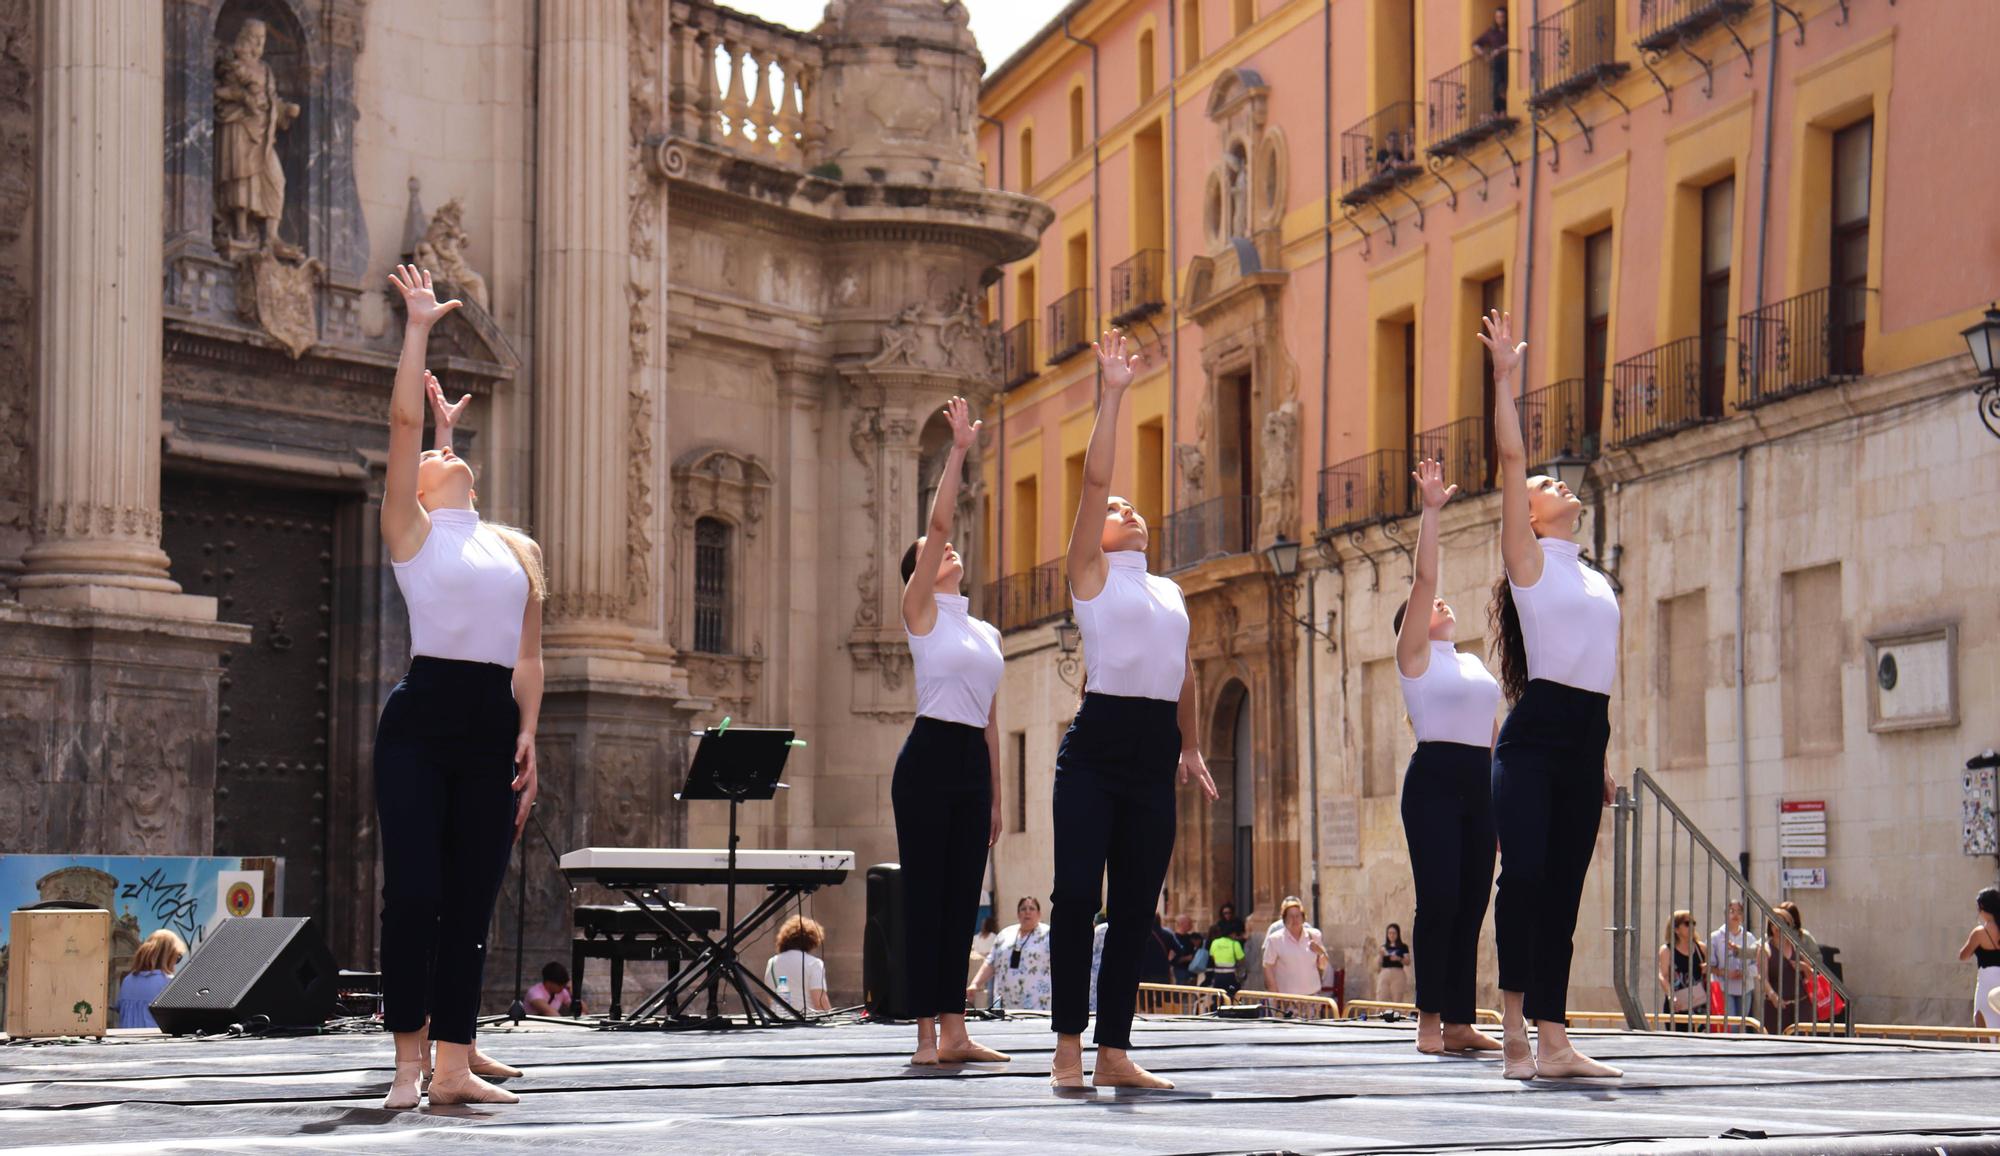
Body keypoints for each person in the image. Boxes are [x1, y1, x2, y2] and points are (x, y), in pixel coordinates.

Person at [376, 266, 544, 1110]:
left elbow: (529, 656)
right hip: (423, 716)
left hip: (491, 722)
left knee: (473, 896)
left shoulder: (510, 549)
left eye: (453, 451)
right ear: (414, 485)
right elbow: (406, 420)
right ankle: (409, 1061)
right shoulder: (411, 534)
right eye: (435, 455)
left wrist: (531, 736)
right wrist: (416, 329)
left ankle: (453, 1063)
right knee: (415, 891)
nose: (447, 452)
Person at [1049, 329, 1218, 1091]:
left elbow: (1182, 667)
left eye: (1133, 508)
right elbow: (1093, 485)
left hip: (1153, 749)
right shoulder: (1090, 575)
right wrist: (1113, 395)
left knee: (1136, 907)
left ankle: (1114, 1051)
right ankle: (1065, 1049)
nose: (1128, 510)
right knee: (1079, 897)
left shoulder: (1170, 592)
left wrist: (1189, 746)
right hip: (1097, 745)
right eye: (1118, 510)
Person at [1482, 310, 1622, 1081]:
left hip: (1582, 737)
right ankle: (1512, 1025)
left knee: (1565, 890)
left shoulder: (1597, 579)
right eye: (1544, 486)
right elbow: (1510, 459)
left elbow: (1598, 675)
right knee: (1526, 876)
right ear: (1529, 517)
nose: (1554, 484)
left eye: (1554, 482)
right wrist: (1505, 378)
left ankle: (1556, 1037)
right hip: (1532, 741)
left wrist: (1601, 757)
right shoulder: (1529, 563)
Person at [894, 396, 1009, 1067]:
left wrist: (997, 798)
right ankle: (923, 1038)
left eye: (947, 549)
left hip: (969, 758)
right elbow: (940, 521)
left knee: (964, 897)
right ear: (919, 573)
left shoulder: (987, 632)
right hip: (928, 754)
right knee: (926, 896)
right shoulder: (922, 615)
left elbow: (993, 720)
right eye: (932, 552)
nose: (946, 549)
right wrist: (959, 449)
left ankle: (957, 1032)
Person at [1395, 456, 1502, 1055]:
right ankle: (1429, 1020)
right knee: (1437, 898)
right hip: (1434, 777)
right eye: (1431, 609)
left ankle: (1461, 1020)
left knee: (1471, 903)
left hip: (1478, 780)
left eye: (1441, 607)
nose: (1442, 606)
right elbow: (1424, 581)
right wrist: (1431, 513)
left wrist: (1499, 802)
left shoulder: (1473, 662)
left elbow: (1490, 731)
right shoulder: (1416, 659)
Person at [968, 897, 1053, 1012]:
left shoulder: (1049, 935)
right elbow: (991, 962)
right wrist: (975, 984)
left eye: (1032, 908)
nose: (1027, 912)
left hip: (1038, 1006)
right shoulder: (1005, 934)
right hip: (1007, 1006)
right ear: (1018, 914)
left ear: (1039, 914)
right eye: (1023, 909)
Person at [114, 929, 187, 1030]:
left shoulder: (127, 981)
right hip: (156, 1043)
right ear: (170, 956)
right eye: (178, 957)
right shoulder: (169, 982)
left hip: (127, 1042)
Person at [764, 915, 833, 1014]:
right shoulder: (814, 963)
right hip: (806, 1023)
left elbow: (771, 997)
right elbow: (820, 1002)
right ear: (812, 941)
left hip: (778, 1021)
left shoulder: (772, 962)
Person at [1261, 898, 1329, 998]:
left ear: (1303, 918)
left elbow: (1323, 965)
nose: (1295, 919)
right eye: (1290, 916)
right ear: (1284, 919)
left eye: (1298, 916)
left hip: (1312, 998)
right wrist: (1274, 993)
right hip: (1286, 1000)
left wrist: (1320, 952)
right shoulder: (1275, 939)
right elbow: (1268, 966)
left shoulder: (1314, 935)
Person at [1759, 905, 1811, 1034]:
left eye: (1783, 923)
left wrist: (1804, 967)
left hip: (1801, 1005)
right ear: (1770, 926)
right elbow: (1762, 978)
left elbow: (1812, 974)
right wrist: (1772, 995)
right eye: (1774, 923)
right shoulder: (1765, 949)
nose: (1778, 927)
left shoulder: (1797, 947)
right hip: (1777, 1007)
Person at [1656, 910, 1710, 1031]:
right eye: (1687, 923)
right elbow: (1663, 975)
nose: (1692, 926)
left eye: (1693, 923)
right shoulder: (1666, 950)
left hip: (1699, 1004)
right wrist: (1671, 996)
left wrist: (1707, 969)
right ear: (1675, 929)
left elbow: (1706, 973)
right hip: (1678, 1005)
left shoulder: (1701, 947)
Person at [1707, 901, 1759, 1025]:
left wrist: (1745, 972)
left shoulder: (1750, 937)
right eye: (1731, 911)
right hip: (1724, 987)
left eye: (1739, 912)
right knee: (1730, 1025)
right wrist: (1724, 973)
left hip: (1745, 986)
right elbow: (1709, 965)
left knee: (1742, 1024)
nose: (1735, 915)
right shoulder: (1715, 937)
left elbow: (1757, 963)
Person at [1958, 888, 2000, 1028]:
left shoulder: (1979, 933)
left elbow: (1963, 956)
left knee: (1982, 1023)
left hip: (1986, 984)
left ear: (1982, 908)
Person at [1472, 6, 1509, 115]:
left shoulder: (1510, 30)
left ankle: (1504, 110)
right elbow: (1475, 44)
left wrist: (1501, 49)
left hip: (1507, 61)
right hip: (1496, 62)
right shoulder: (1491, 32)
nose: (1500, 19)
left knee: (1504, 86)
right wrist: (1484, 55)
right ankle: (1497, 111)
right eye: (1497, 17)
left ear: (1506, 18)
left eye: (1502, 17)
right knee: (1497, 87)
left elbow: (1514, 42)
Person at [970, 915, 1002, 1009]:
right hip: (976, 965)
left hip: (987, 965)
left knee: (990, 990)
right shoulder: (976, 937)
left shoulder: (994, 937)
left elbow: (992, 953)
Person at [1377, 924, 1411, 1006]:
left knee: (1397, 999)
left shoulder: (1403, 947)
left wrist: (1399, 958)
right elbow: (1378, 964)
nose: (1391, 935)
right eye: (1389, 933)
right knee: (1381, 997)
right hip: (1385, 972)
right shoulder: (1383, 947)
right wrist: (1380, 955)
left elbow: (1408, 961)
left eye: (1394, 933)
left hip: (1398, 973)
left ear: (1398, 934)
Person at [1207, 924, 1246, 995]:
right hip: (1230, 975)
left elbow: (1212, 956)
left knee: (1218, 996)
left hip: (1218, 975)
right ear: (1232, 934)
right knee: (1232, 996)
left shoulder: (1215, 942)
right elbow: (1241, 959)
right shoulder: (1235, 944)